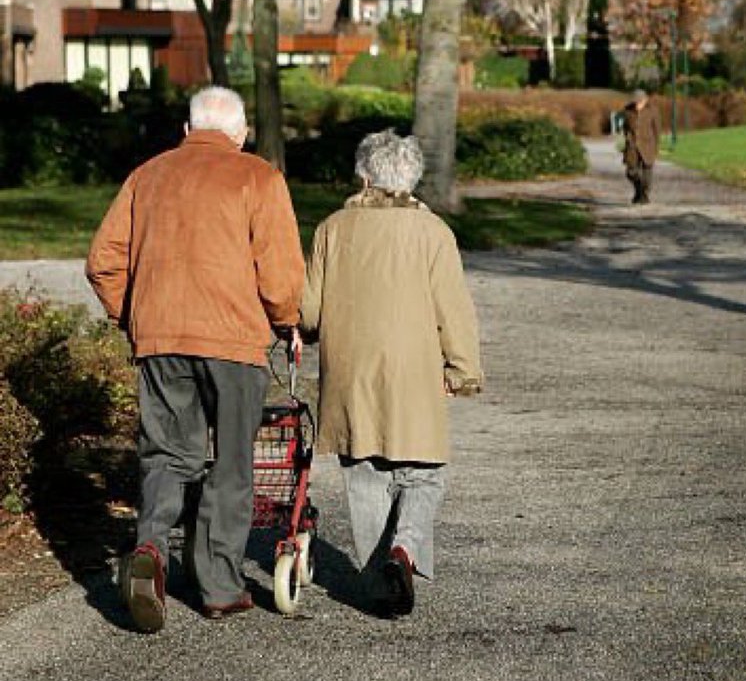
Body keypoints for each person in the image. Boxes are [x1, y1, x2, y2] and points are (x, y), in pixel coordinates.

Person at [86, 85, 304, 632]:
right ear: (242, 133)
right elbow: (278, 273)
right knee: (231, 462)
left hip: (160, 338)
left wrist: (133, 317)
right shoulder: (258, 177)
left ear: (187, 130)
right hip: (233, 343)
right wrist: (288, 321)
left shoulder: (148, 175)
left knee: (166, 455)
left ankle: (153, 552)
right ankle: (220, 587)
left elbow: (102, 261)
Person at [301, 129, 483, 617]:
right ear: (413, 179)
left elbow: (309, 312)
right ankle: (402, 552)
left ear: (363, 175)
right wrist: (462, 369)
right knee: (423, 473)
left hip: (350, 371)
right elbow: (454, 309)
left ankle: (381, 569)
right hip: (413, 370)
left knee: (365, 471)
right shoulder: (433, 233)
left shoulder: (331, 229)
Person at [622, 88, 662, 205]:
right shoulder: (628, 110)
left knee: (647, 174)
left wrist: (656, 147)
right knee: (631, 172)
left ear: (645, 100)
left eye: (639, 101)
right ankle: (639, 190)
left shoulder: (653, 110)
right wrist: (628, 138)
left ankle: (644, 196)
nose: (637, 103)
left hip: (648, 145)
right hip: (632, 146)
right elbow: (625, 127)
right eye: (635, 101)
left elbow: (657, 130)